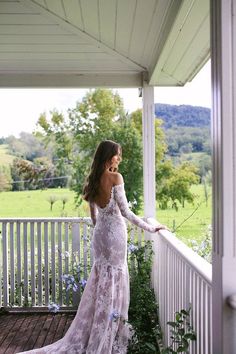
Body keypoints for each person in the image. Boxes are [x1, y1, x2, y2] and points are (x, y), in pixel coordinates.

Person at [18, 140, 166, 354]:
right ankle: (110, 332)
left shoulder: (93, 180)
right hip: (115, 234)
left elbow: (94, 216)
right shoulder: (116, 178)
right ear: (108, 156)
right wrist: (150, 228)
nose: (119, 158)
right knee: (115, 279)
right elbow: (126, 212)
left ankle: (98, 327)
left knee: (101, 279)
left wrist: (102, 230)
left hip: (101, 235)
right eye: (117, 155)